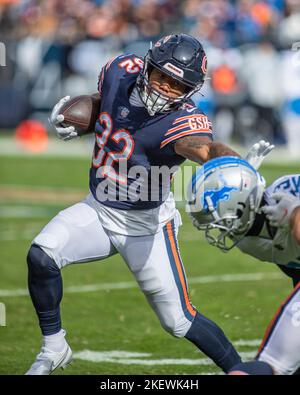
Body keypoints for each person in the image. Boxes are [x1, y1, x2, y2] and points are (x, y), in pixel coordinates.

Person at [26, 33, 271, 375]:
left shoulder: (181, 121)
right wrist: (79, 118)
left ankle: (237, 370)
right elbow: (105, 103)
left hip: (147, 225)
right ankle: (54, 347)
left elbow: (204, 149)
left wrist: (234, 166)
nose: (167, 90)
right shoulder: (119, 71)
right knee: (41, 254)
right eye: (163, 78)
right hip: (98, 208)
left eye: (178, 85)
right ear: (147, 67)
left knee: (179, 321)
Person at [187, 156, 300, 375]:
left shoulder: (287, 190)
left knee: (274, 362)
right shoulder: (248, 241)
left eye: (221, 219)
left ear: (241, 203)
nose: (219, 229)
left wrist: (295, 213)